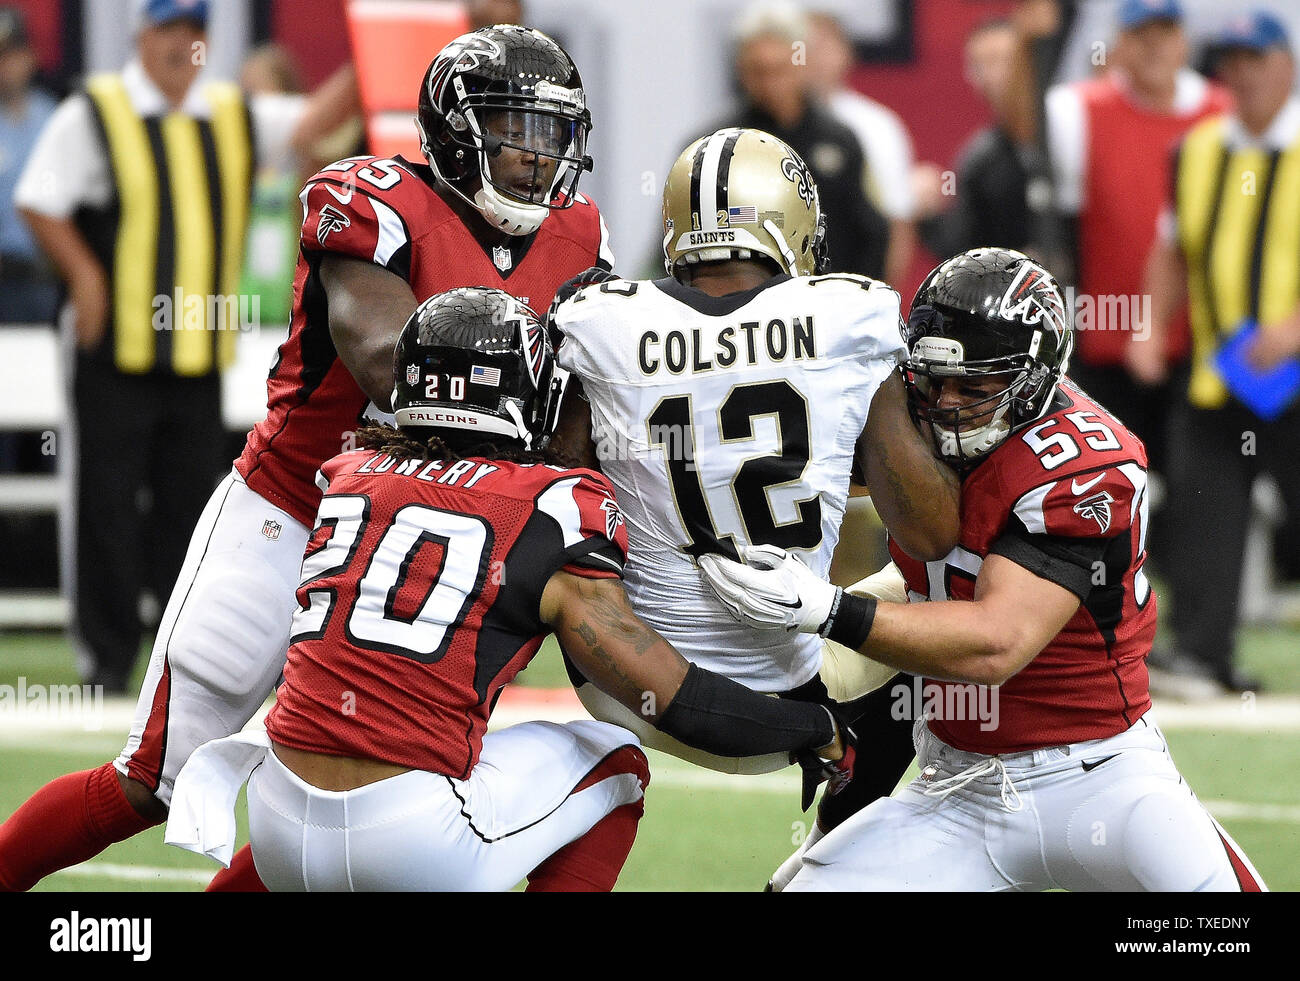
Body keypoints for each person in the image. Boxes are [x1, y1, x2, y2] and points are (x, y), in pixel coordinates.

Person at [0, 24, 613, 893]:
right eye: (517, 127)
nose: (536, 155)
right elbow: (385, 355)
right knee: (151, 779)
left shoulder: (579, 235)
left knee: (358, 781)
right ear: (455, 128)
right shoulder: (375, 200)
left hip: (433, 543)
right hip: (296, 515)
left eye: (552, 133)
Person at [163, 287, 853, 891]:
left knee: (341, 763)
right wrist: (817, 729)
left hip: (277, 824)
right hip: (408, 839)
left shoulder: (350, 473)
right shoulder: (552, 505)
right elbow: (674, 700)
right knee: (616, 762)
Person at [701, 247, 1267, 892]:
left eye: (973, 388)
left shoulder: (1081, 463)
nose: (946, 405)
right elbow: (908, 652)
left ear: (1033, 380)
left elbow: (995, 644)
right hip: (961, 789)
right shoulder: (910, 415)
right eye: (933, 382)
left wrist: (827, 609)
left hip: (1103, 779)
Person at [548, 129, 958, 828]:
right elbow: (928, 528)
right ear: (790, 223)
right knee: (951, 587)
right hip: (786, 696)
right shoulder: (849, 315)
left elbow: (555, 490)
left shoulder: (599, 321)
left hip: (621, 681)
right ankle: (846, 838)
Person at [11, 0, 312, 693]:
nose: (185, 44)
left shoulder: (229, 114)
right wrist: (84, 274)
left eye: (196, 31)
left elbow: (312, 120)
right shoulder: (98, 109)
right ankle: (104, 662)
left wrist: (380, 58)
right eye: (172, 29)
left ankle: (179, 658)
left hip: (196, 356)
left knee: (190, 508)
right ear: (143, 36)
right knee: (106, 504)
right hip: (113, 349)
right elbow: (39, 198)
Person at [1142, 9, 1300, 697]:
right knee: (1205, 508)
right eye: (1230, 61)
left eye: (1255, 59)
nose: (1242, 75)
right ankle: (1203, 652)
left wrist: (1295, 328)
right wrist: (1150, 324)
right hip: (1219, 373)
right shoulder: (1199, 148)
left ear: (1286, 65)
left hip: (1296, 373)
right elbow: (1170, 247)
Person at [1046, 0, 1231, 478]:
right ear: (1119, 44)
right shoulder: (1077, 111)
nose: (1154, 47)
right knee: (1112, 483)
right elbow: (1059, 225)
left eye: (1165, 33)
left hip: (1210, 341)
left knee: (1204, 488)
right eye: (1141, 35)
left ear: (1184, 40)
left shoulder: (1224, 116)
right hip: (1108, 337)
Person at [717, 1, 889, 280]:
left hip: (829, 307)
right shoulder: (717, 148)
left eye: (780, 69)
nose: (771, 83)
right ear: (742, 71)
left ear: (801, 63)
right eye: (759, 71)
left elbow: (873, 232)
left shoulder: (841, 140)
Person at [913, 18, 1043, 260]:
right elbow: (963, 255)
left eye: (1001, 60)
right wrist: (926, 213)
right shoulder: (980, 161)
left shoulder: (1073, 127)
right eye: (980, 65)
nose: (994, 75)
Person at [805, 10, 916, 288]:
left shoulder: (878, 126)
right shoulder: (767, 128)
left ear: (846, 53)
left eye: (825, 46)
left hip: (854, 286)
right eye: (806, 47)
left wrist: (884, 299)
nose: (816, 58)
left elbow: (897, 223)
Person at [0, 6, 58, 325]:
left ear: (30, 57)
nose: (5, 66)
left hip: (46, 278)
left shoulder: (52, 117)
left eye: (12, 55)